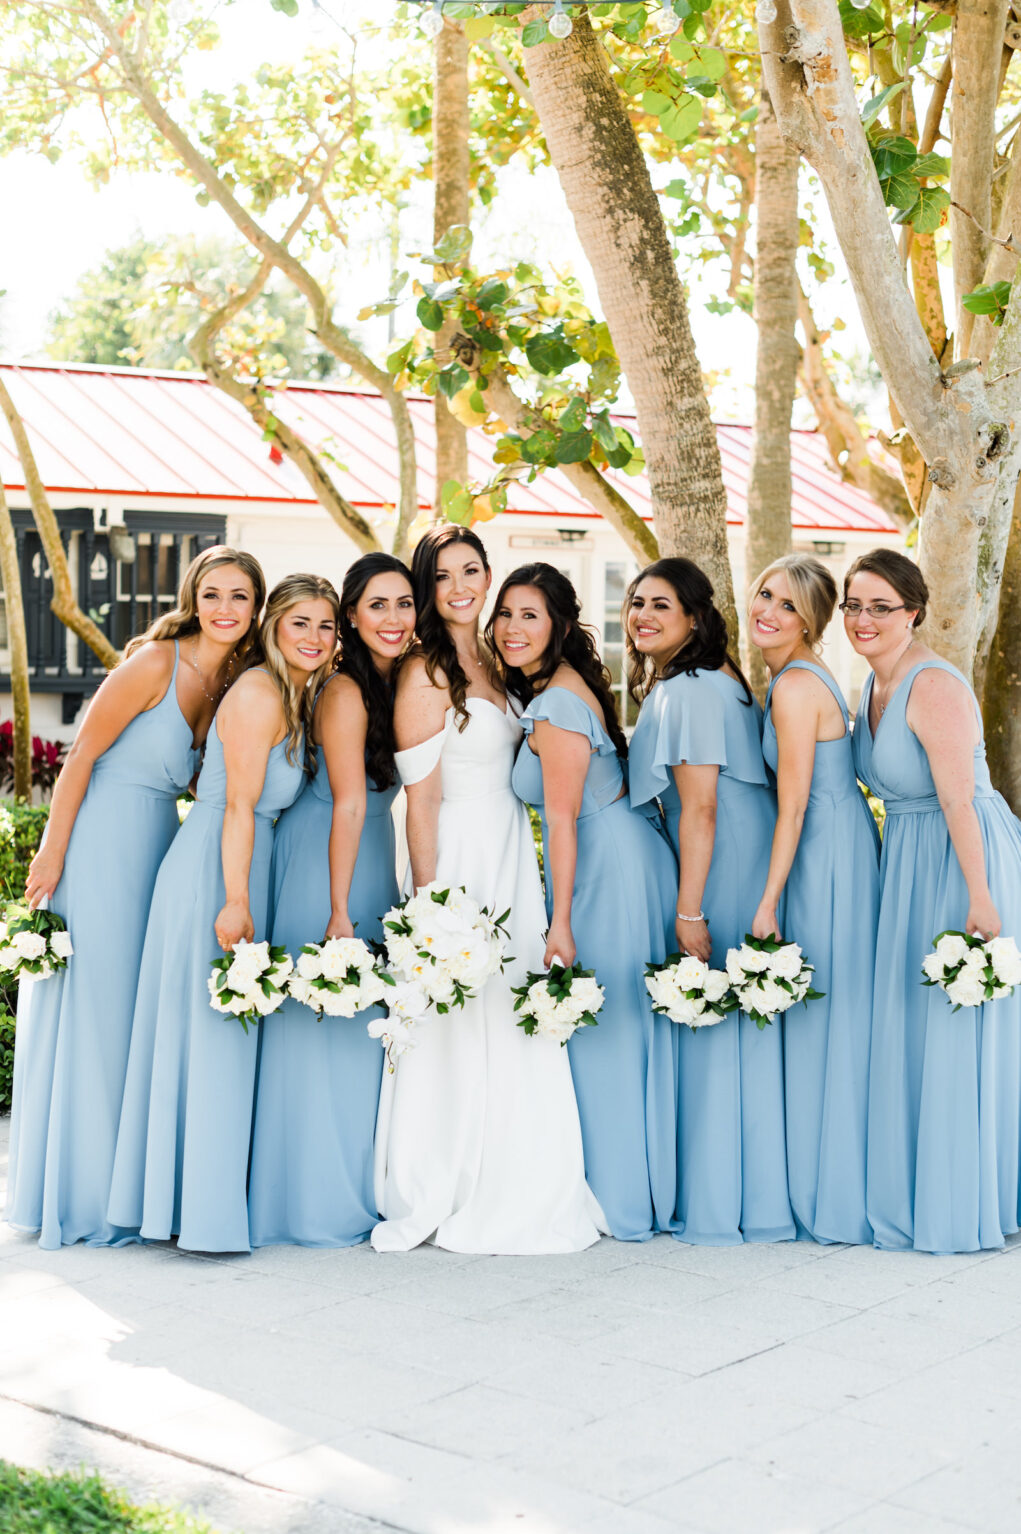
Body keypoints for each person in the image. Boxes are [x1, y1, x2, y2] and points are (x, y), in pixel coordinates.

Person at [5, 547, 264, 1249]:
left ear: (255, 607)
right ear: (192, 597)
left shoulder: (234, 681)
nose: (225, 609)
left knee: (128, 1015)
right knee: (94, 1009)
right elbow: (81, 755)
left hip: (157, 847)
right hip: (99, 844)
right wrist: (53, 851)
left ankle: (125, 1185)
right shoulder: (155, 663)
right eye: (212, 594)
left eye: (240, 597)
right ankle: (79, 1195)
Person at [371, 525, 603, 1255]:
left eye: (473, 570)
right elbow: (422, 799)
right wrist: (430, 907)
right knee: (453, 1011)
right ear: (427, 587)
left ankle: (520, 1167)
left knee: (507, 1004)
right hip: (455, 858)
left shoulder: (502, 666)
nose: (463, 587)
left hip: (507, 853)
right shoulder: (423, 672)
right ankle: (447, 1174)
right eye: (444, 576)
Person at [107, 575, 340, 1254]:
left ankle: (196, 1201)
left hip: (244, 862)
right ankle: (194, 1213)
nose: (314, 638)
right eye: (300, 623)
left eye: (326, 627)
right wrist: (236, 900)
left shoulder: (294, 693)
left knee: (221, 1038)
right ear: (274, 626)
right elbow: (237, 805)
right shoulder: (260, 693)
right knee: (208, 1037)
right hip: (216, 867)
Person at [489, 563, 678, 1241]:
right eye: (505, 613)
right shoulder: (554, 693)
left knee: (608, 1029)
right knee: (618, 1026)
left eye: (529, 615)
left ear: (561, 627)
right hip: (613, 853)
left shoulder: (557, 705)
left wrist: (559, 921)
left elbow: (560, 821)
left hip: (606, 866)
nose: (512, 628)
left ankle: (621, 1197)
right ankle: (634, 1184)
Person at [846, 548, 1021, 1253]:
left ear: (911, 611)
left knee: (954, 1022)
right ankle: (920, 1184)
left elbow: (958, 799)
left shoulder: (933, 684)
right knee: (918, 1021)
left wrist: (979, 896)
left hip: (959, 855)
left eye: (879, 606)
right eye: (853, 604)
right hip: (910, 857)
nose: (863, 619)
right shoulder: (870, 686)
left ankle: (963, 1199)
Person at [248, 554, 415, 1247]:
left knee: (356, 1030)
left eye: (404, 604)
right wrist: (341, 910)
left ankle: (351, 1184)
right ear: (352, 615)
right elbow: (349, 803)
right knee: (320, 1026)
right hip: (328, 863)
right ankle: (308, 1202)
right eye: (377, 605)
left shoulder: (394, 682)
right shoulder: (345, 690)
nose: (393, 619)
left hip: (366, 858)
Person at [626, 558, 794, 1245]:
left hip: (720, 858)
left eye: (660, 605)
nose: (641, 614)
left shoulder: (691, 687)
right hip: (733, 845)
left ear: (693, 617)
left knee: (715, 1012)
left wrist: (688, 909)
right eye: (636, 602)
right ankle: (740, 1188)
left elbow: (699, 811)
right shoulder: (704, 676)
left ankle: (721, 1196)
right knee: (729, 1020)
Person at [748, 554, 876, 1245]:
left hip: (825, 856)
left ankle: (832, 1192)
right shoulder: (790, 678)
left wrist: (766, 903)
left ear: (812, 621)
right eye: (765, 593)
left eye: (787, 605)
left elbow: (792, 808)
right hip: (832, 844)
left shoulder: (796, 688)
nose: (767, 610)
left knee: (827, 1018)